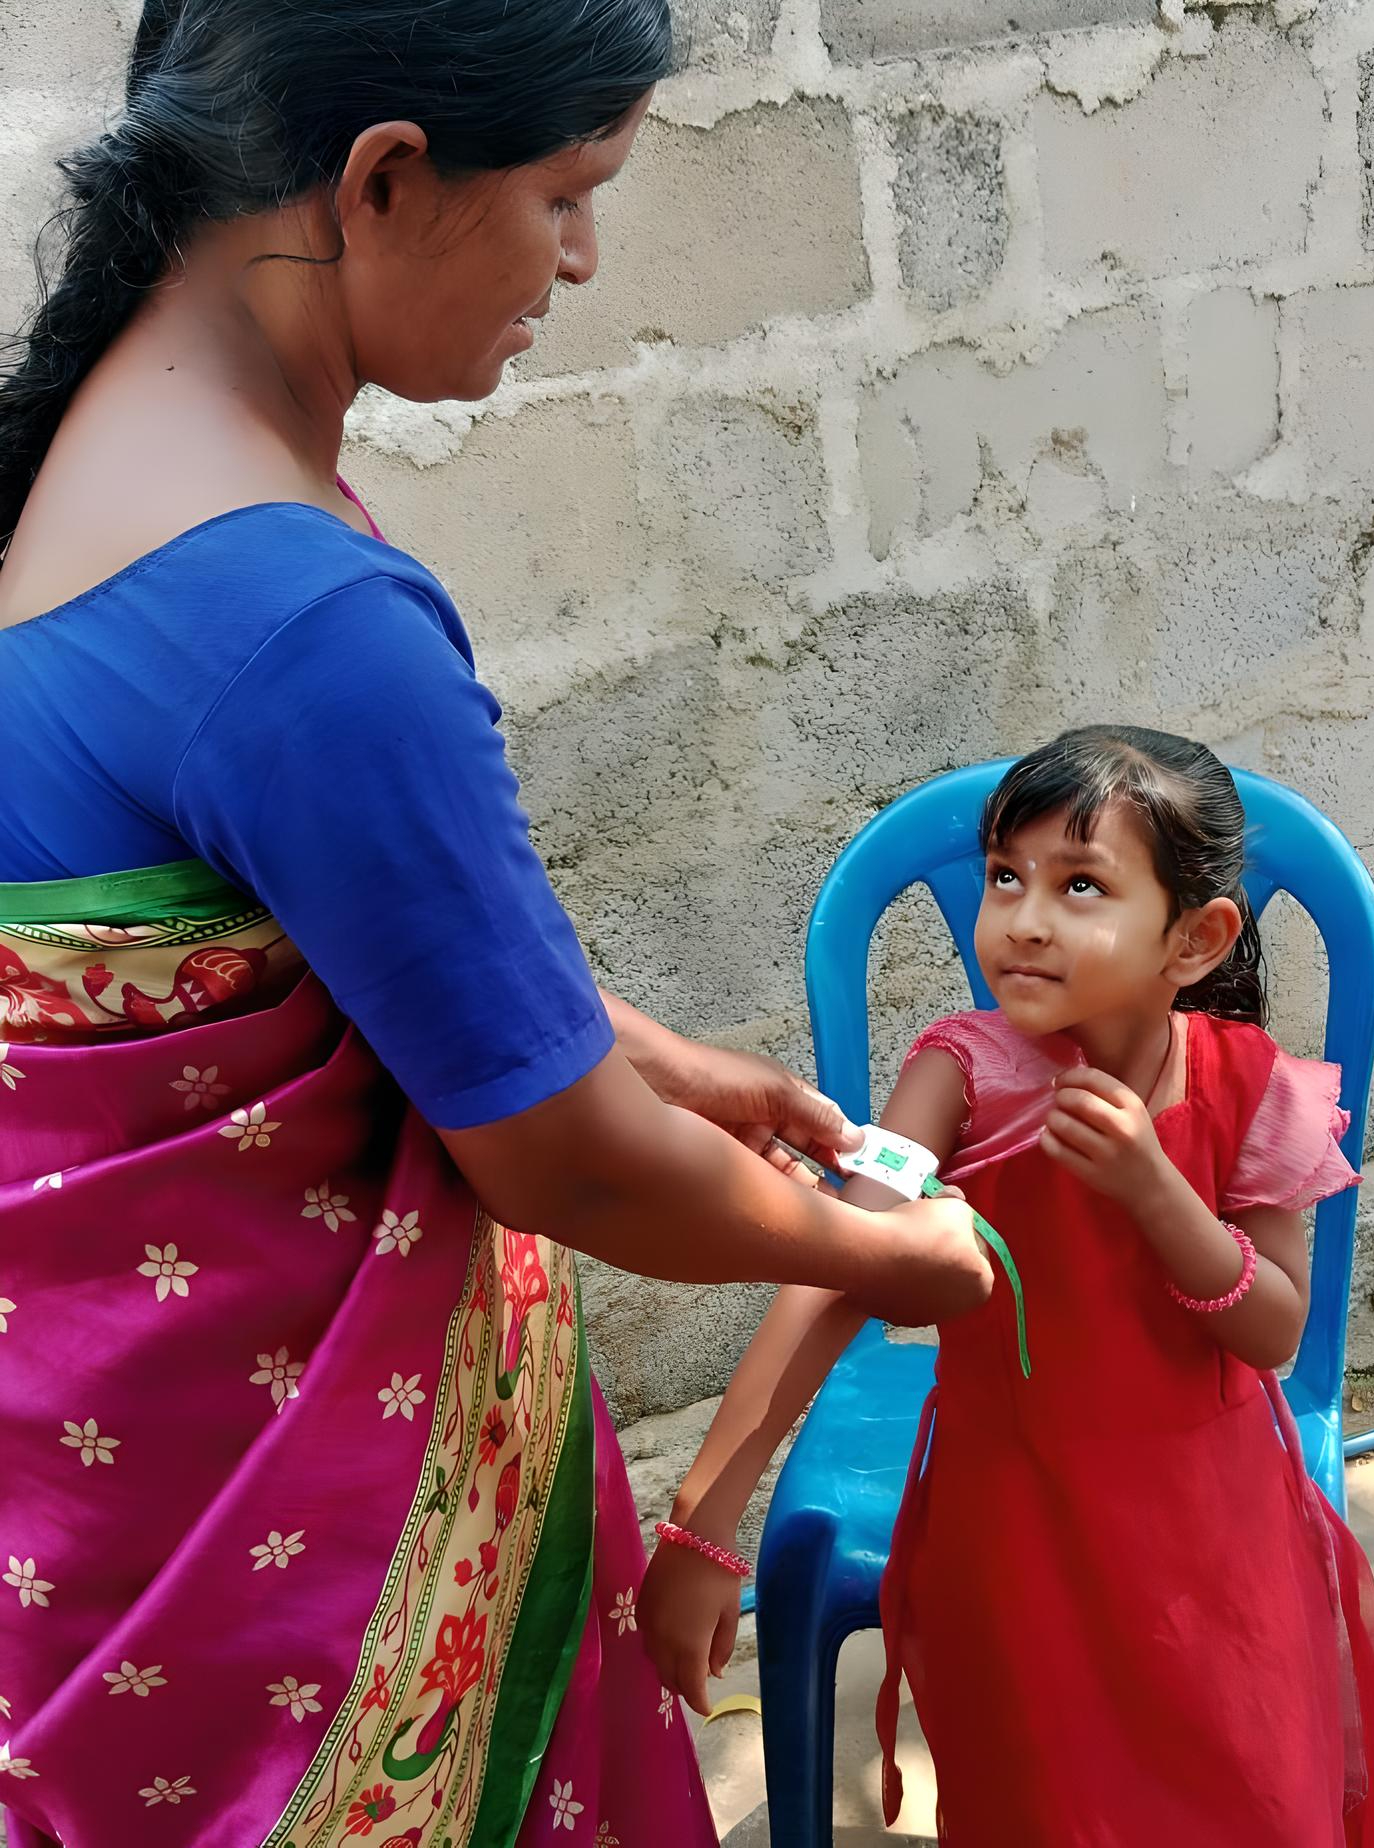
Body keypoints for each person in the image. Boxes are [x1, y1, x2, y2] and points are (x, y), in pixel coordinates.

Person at [0, 4, 989, 1844]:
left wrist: (659, 1055)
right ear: (384, 179)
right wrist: (887, 1258)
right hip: (314, 1556)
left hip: (114, 1492)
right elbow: (570, 1169)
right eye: (565, 193)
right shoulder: (308, 622)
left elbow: (340, 932)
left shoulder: (114, 443)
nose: (584, 258)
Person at [641, 725, 1374, 1846]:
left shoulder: (1258, 1092)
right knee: (1044, 1800)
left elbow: (1272, 1333)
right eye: (1005, 877)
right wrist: (703, 1528)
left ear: (1193, 938)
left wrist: (1156, 1193)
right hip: (1013, 1533)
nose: (1023, 919)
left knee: (1241, 1786)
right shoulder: (959, 1074)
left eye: (1079, 883)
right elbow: (837, 1263)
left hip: (1212, 1538)